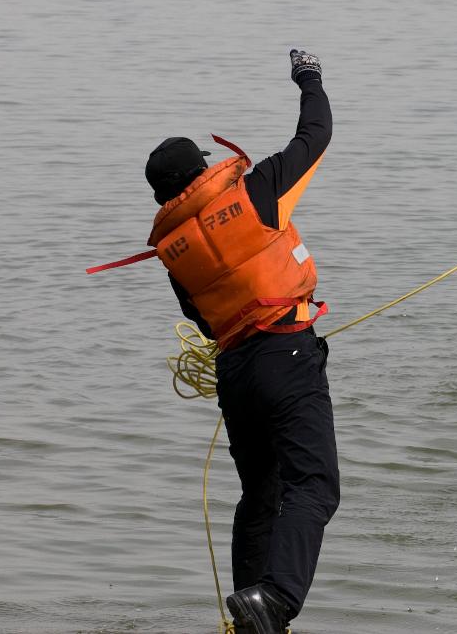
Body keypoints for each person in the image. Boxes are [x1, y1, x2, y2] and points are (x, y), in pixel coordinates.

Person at [143, 49, 338, 634]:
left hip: (237, 375)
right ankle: (276, 599)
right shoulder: (259, 190)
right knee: (315, 486)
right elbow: (317, 131)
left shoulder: (174, 254)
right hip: (289, 356)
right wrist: (309, 76)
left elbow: (204, 322)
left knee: (260, 494)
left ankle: (253, 617)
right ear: (204, 172)